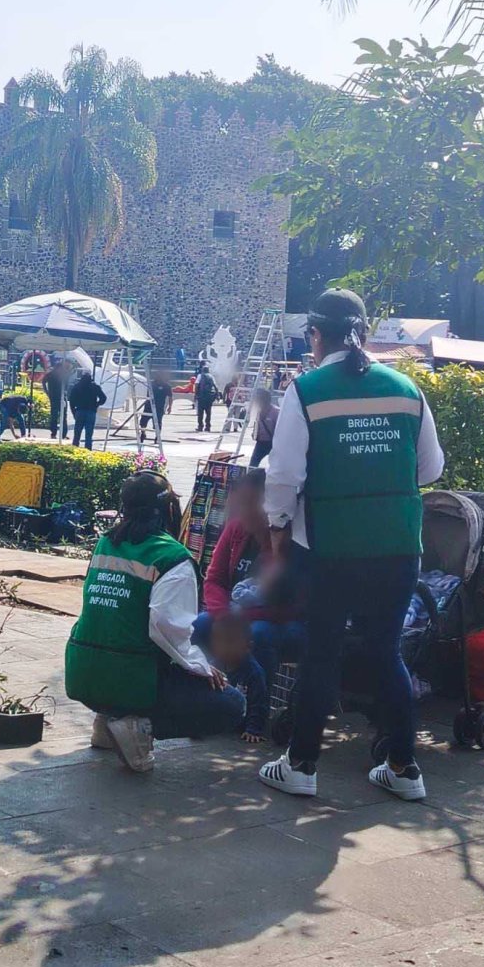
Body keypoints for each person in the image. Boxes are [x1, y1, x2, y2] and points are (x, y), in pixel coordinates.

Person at [259, 288, 445, 802]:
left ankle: (301, 765)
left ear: (316, 335)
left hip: (329, 550)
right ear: (361, 333)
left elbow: (284, 476)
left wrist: (278, 528)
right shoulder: (405, 388)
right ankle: (404, 768)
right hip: (399, 548)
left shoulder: (306, 391)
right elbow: (430, 468)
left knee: (321, 653)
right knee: (387, 652)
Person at [65, 471, 244, 773]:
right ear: (168, 508)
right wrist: (200, 666)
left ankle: (107, 720)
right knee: (232, 704)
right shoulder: (172, 557)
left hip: (82, 674)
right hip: (131, 678)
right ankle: (138, 727)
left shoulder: (105, 543)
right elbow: (165, 627)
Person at [203, 469, 305, 688]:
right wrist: (223, 615)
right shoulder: (235, 529)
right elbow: (214, 579)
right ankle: (207, 694)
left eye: (252, 503)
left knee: (258, 633)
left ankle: (256, 703)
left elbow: (291, 602)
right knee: (200, 624)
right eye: (241, 504)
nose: (245, 511)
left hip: (284, 621)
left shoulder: (290, 538)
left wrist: (240, 619)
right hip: (234, 615)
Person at [191, 611, 269, 742]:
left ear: (247, 647)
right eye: (218, 641)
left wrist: (253, 729)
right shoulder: (214, 664)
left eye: (231, 642)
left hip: (241, 723)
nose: (224, 647)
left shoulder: (254, 673)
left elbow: (259, 703)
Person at [69, 372, 107, 450]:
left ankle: (75, 448)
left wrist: (73, 412)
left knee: (77, 432)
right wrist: (97, 404)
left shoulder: (77, 386)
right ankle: (88, 449)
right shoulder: (95, 387)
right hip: (91, 411)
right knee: (89, 433)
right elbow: (103, 398)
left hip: (80, 410)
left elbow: (72, 401)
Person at [249, 388, 280, 467]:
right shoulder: (257, 410)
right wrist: (255, 433)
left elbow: (280, 429)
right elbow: (256, 424)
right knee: (252, 464)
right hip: (260, 443)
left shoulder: (276, 412)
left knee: (276, 466)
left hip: (273, 443)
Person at [141, 371, 173, 442]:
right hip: (148, 406)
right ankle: (143, 433)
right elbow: (147, 394)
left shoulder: (167, 386)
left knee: (158, 423)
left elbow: (170, 397)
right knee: (143, 421)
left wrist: (170, 407)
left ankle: (157, 437)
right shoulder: (151, 384)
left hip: (159, 407)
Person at [42, 361, 69, 440]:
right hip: (60, 397)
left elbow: (43, 381)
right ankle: (60, 434)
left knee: (56, 415)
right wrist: (47, 392)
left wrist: (47, 392)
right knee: (61, 415)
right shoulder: (62, 374)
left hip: (55, 397)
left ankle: (55, 433)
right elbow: (66, 386)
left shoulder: (51, 374)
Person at [194, 364, 218, 433]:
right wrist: (216, 395)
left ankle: (200, 426)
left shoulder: (200, 376)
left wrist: (196, 394)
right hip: (209, 397)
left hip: (201, 396)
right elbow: (215, 386)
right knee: (208, 413)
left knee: (200, 413)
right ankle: (208, 426)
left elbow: (196, 385)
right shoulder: (211, 376)